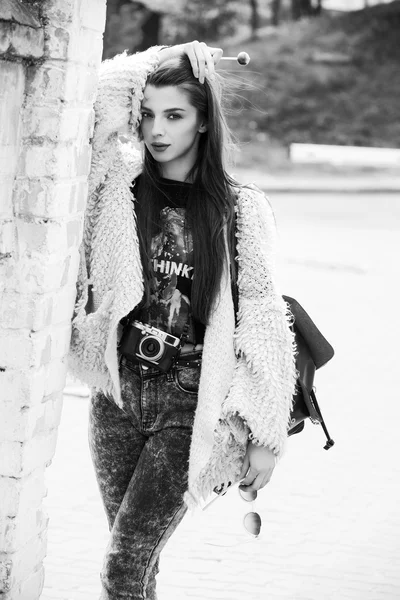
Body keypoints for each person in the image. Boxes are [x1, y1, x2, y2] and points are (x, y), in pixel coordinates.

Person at [68, 41, 297, 600]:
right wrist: (162, 58)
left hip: (190, 399)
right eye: (147, 114)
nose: (156, 130)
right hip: (116, 396)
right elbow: (91, 104)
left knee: (123, 566)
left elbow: (265, 314)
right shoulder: (116, 188)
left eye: (174, 115)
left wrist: (263, 433)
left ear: (202, 122)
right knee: (135, 562)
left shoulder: (239, 207)